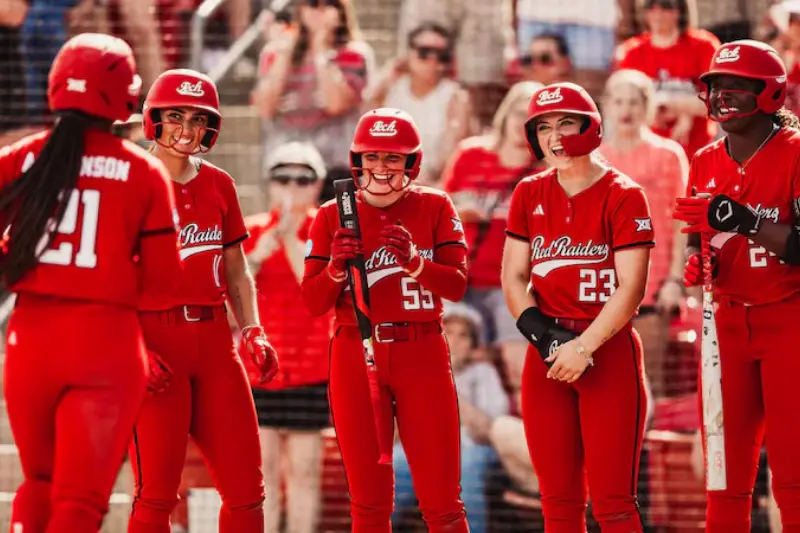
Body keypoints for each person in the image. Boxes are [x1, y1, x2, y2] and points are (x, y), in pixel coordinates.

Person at [0, 33, 182, 532]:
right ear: (125, 94)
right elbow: (166, 282)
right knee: (79, 503)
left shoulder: (22, 157)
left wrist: (18, 260)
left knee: (37, 485)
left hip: (30, 340)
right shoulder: (144, 172)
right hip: (106, 343)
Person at [301, 107, 470, 533]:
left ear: (412, 162)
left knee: (443, 501)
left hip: (422, 348)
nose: (381, 167)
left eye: (393, 157)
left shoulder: (435, 205)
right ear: (356, 160)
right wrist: (335, 269)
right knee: (368, 502)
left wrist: (415, 262)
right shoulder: (332, 212)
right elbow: (313, 302)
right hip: (355, 351)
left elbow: (457, 286)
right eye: (371, 157)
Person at [127, 68, 279, 533]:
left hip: (215, 345)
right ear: (153, 118)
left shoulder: (220, 184)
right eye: (175, 116)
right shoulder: (129, 180)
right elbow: (108, 278)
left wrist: (252, 328)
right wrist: (132, 349)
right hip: (155, 343)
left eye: (198, 118)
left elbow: (235, 267)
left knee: (247, 492)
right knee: (156, 495)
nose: (187, 129)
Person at [501, 82, 654, 533]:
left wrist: (583, 347)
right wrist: (547, 338)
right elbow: (513, 277)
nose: (555, 136)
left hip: (607, 352)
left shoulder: (625, 194)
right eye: (543, 127)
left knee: (614, 505)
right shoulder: (529, 192)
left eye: (566, 123)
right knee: (558, 503)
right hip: (547, 353)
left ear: (590, 127)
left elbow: (632, 288)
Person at [673, 39, 800, 533]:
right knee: (723, 481)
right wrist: (695, 263)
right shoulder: (704, 160)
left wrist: (745, 221)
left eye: (735, 86)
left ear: (770, 93)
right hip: (724, 326)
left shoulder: (795, 151)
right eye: (715, 86)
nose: (720, 96)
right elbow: (695, 237)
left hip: (789, 318)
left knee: (793, 478)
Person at [242, 141, 332, 533]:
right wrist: (257, 256)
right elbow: (229, 299)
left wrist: (292, 240)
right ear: (270, 183)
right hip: (259, 369)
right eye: (283, 178)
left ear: (318, 185)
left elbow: (318, 293)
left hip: (310, 368)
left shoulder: (327, 230)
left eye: (303, 179)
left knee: (305, 470)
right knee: (263, 473)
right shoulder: (250, 231)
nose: (292, 187)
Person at [599, 68, 689, 398]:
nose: (626, 110)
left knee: (651, 379)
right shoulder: (595, 159)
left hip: (654, 282)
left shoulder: (669, 154)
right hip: (604, 287)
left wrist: (675, 280)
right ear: (607, 105)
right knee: (607, 381)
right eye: (619, 101)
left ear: (647, 106)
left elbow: (682, 220)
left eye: (634, 102)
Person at [393, 302, 508, 533]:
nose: (453, 341)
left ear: (472, 346)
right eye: (448, 332)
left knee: (464, 465)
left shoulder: (484, 373)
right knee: (394, 463)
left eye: (463, 336)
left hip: (473, 448)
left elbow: (488, 432)